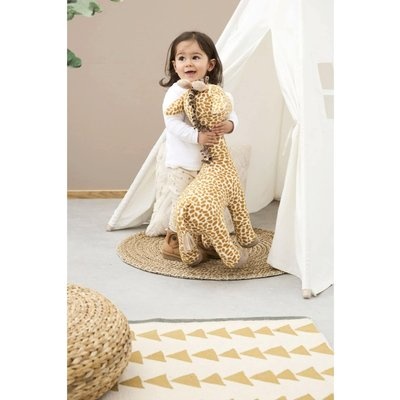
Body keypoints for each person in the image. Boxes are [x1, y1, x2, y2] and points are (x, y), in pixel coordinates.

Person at [159, 31, 238, 261]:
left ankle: (206, 239)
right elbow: (172, 123)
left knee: (207, 203)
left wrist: (229, 124)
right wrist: (197, 136)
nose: (188, 63)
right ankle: (174, 241)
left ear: (210, 64)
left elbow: (231, 111)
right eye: (182, 58)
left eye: (195, 57)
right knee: (182, 203)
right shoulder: (176, 92)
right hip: (182, 164)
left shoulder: (215, 92)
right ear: (174, 66)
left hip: (208, 166)